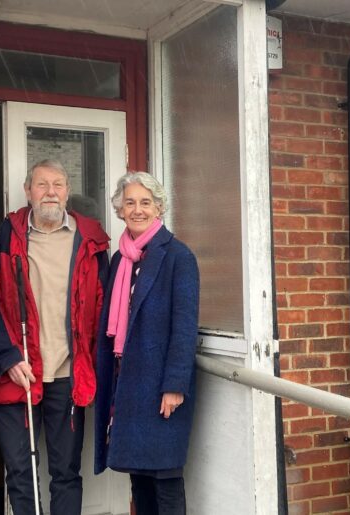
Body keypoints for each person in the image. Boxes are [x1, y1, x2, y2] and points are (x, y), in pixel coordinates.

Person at [0, 159, 109, 515]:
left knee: (66, 472)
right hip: (17, 371)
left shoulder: (91, 240)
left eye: (58, 184)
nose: (50, 192)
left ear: (67, 192)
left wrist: (100, 365)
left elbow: (103, 308)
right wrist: (6, 356)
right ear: (28, 191)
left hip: (68, 373)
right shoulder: (6, 237)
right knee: (20, 471)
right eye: (42, 184)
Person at [94, 172, 200, 515]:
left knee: (165, 477)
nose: (137, 209)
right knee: (138, 477)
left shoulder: (178, 256)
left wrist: (175, 386)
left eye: (145, 202)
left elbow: (185, 327)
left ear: (158, 208)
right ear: (120, 209)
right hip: (127, 384)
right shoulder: (120, 259)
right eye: (130, 203)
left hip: (160, 387)